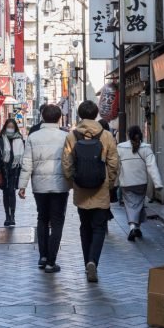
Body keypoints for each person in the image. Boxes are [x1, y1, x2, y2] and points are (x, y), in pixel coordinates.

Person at [62, 100, 119, 283]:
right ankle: (93, 261)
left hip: (81, 189)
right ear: (96, 115)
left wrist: (73, 181)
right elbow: (113, 163)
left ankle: (87, 262)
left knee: (84, 227)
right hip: (100, 188)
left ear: (79, 115)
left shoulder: (72, 136)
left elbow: (66, 164)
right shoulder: (107, 135)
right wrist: (109, 183)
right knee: (99, 227)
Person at [18, 104, 70, 273]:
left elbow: (27, 163)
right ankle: (51, 261)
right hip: (60, 185)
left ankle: (43, 256)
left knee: (42, 218)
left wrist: (22, 185)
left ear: (42, 117)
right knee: (57, 221)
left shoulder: (34, 137)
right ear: (59, 118)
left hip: (39, 186)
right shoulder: (66, 137)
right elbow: (70, 162)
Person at [117, 125, 163, 241]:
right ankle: (137, 228)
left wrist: (114, 182)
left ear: (128, 135)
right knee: (138, 204)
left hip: (126, 183)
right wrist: (158, 184)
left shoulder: (120, 148)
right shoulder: (146, 148)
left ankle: (133, 227)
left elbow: (116, 166)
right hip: (141, 183)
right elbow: (152, 167)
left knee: (131, 205)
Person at [0, 118, 24, 227]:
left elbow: (23, 155)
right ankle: (7, 216)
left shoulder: (19, 139)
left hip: (14, 169)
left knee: (12, 191)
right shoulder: (0, 139)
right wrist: (0, 161)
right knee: (6, 193)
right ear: (5, 127)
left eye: (12, 127)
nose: (10, 129)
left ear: (15, 128)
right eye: (8, 127)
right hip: (3, 169)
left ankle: (12, 216)